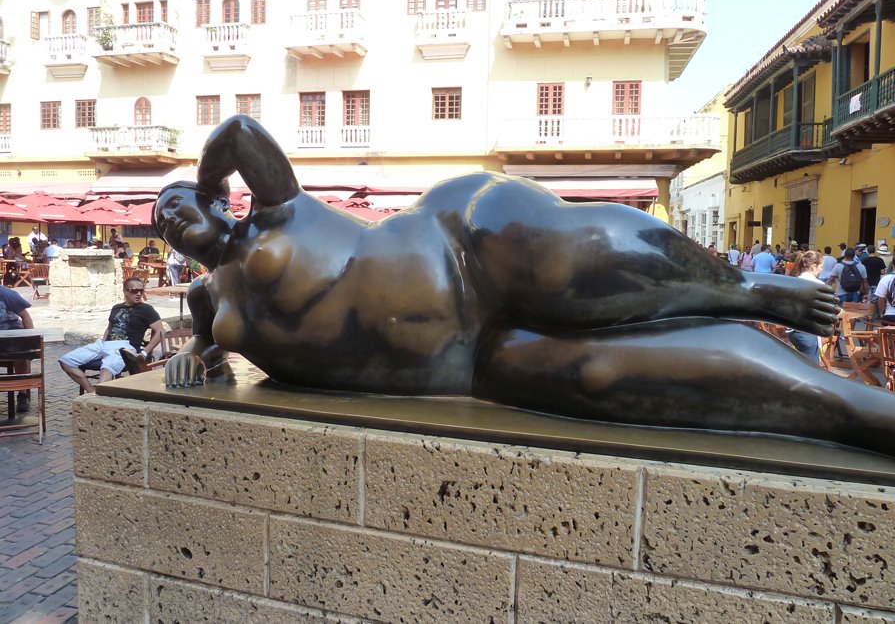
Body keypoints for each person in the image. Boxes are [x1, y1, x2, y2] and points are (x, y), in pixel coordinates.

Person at [152, 115, 895, 458]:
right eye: (161, 219)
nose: (169, 218)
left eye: (178, 201)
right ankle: (859, 413)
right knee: (605, 376)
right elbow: (206, 346)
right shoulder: (212, 297)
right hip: (469, 362)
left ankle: (743, 290)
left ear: (215, 199)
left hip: (458, 247)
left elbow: (239, 132)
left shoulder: (275, 209)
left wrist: (205, 179)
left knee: (575, 261)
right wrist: (196, 356)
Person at [58, 278, 163, 394]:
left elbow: (160, 331)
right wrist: (103, 342)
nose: (139, 294)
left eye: (141, 291)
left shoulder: (146, 309)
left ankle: (97, 397)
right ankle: (92, 392)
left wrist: (144, 352)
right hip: (104, 344)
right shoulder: (116, 307)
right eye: (134, 291)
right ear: (125, 291)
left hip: (125, 347)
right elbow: (109, 328)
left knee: (107, 369)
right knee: (66, 361)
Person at [785, 251, 825, 364]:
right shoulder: (818, 285)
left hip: (793, 331)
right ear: (814, 266)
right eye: (821, 267)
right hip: (809, 332)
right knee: (809, 369)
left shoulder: (792, 281)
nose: (821, 270)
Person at [0, 284, 35, 412]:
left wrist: (31, 341)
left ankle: (22, 393)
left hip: (12, 337)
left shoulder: (6, 294)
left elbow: (25, 316)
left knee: (21, 354)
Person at [862, 245, 886, 319]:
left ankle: (868, 314)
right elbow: (882, 272)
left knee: (868, 298)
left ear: (867, 251)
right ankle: (874, 314)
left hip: (867, 282)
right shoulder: (880, 260)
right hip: (876, 282)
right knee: (875, 299)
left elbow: (862, 271)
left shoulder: (864, 260)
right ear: (874, 250)